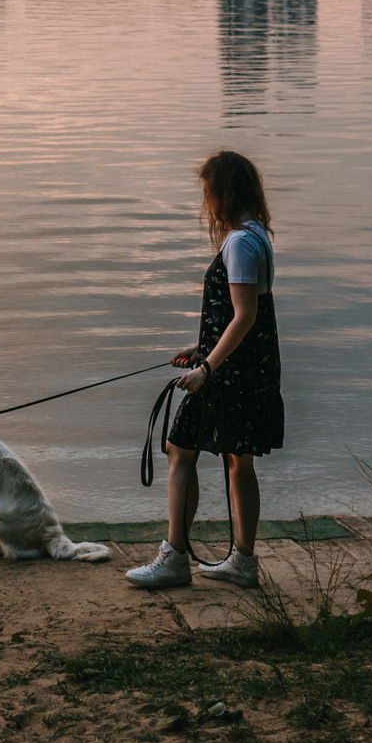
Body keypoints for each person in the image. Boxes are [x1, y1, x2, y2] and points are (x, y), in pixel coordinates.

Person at [127, 150, 284, 590]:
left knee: (180, 449)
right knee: (239, 461)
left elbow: (245, 316)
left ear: (223, 192)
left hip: (226, 377)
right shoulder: (257, 236)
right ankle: (244, 561)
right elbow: (246, 316)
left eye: (207, 190)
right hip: (249, 370)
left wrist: (206, 368)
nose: (205, 200)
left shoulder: (238, 242)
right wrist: (200, 347)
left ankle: (175, 557)